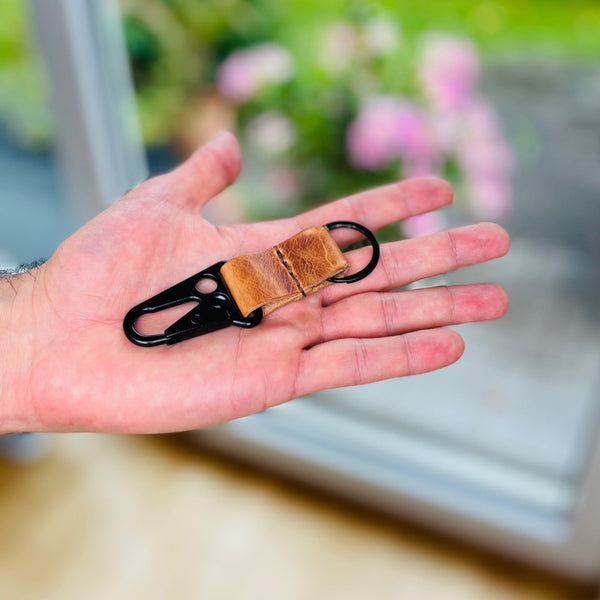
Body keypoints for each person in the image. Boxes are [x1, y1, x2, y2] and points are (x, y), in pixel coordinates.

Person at [0, 132, 509, 434]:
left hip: (243, 285)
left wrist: (35, 325)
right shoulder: (254, 281)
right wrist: (37, 322)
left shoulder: (265, 279)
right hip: (240, 285)